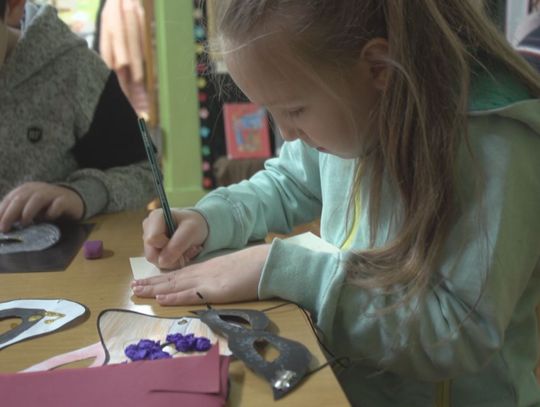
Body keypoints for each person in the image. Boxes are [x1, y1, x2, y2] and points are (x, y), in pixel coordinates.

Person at [133, 1, 540, 405]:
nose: (287, 134)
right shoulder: (354, 106)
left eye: (294, 109)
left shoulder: (492, 146)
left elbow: (455, 337)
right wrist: (209, 218)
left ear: (378, 67)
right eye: (272, 112)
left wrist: (287, 271)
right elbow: (288, 181)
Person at [0, 0, 154, 232]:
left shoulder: (76, 71)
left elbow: (146, 175)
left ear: (13, 7)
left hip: (59, 262)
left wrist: (80, 195)